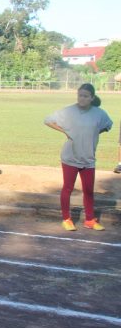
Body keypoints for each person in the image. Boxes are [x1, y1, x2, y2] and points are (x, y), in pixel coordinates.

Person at [44, 83, 113, 231]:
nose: (81, 99)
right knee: (67, 188)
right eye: (80, 95)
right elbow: (48, 120)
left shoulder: (99, 113)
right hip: (70, 157)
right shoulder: (68, 111)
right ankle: (66, 219)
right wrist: (65, 131)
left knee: (88, 190)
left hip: (88, 158)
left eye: (85, 96)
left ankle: (89, 220)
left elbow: (108, 125)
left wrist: (93, 134)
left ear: (92, 98)